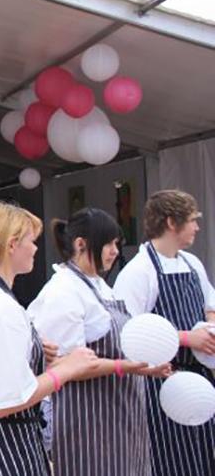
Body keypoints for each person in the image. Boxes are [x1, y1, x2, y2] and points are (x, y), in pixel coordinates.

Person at [0, 201, 99, 476]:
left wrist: (32, 351)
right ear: (11, 245)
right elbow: (8, 401)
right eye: (32, 240)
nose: (36, 249)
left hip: (1, 444)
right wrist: (65, 370)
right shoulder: (0, 308)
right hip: (4, 449)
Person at [28, 208, 171, 476]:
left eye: (117, 243)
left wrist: (143, 366)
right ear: (81, 244)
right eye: (108, 243)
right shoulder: (63, 291)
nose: (115, 250)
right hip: (87, 421)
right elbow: (64, 364)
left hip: (121, 414)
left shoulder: (99, 285)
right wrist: (129, 366)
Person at [113, 190, 215, 476]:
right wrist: (186, 338)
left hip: (200, 378)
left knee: (204, 456)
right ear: (172, 222)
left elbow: (210, 306)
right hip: (161, 381)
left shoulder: (192, 264)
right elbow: (126, 331)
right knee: (170, 460)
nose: (196, 227)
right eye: (192, 220)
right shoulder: (139, 272)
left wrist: (209, 330)